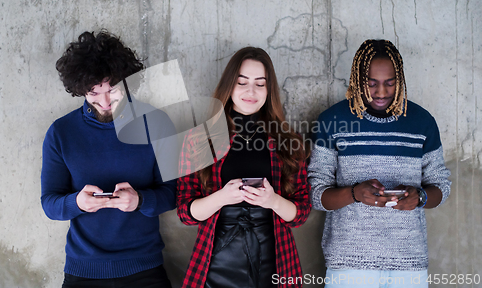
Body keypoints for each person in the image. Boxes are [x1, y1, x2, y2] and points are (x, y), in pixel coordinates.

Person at [308, 39, 451, 287]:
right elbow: (316, 193)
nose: (381, 92)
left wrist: (421, 197)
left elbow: (441, 185)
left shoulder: (421, 121)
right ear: (356, 80)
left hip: (408, 263)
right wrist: (354, 193)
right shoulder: (332, 120)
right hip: (349, 265)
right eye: (371, 83)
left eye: (390, 83)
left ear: (400, 81)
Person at [40, 30, 176, 288]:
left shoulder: (156, 123)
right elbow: (49, 203)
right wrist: (77, 202)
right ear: (79, 89)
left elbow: (172, 194)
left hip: (144, 268)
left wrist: (140, 201)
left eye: (112, 90)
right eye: (93, 92)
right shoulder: (61, 133)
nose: (104, 102)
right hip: (83, 270)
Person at [177, 47, 311, 288]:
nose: (251, 91)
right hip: (215, 263)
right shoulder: (199, 140)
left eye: (260, 84)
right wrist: (221, 197)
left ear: (269, 90)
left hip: (275, 262)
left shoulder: (290, 141)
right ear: (230, 85)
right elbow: (185, 214)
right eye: (242, 82)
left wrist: (273, 201)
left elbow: (301, 213)